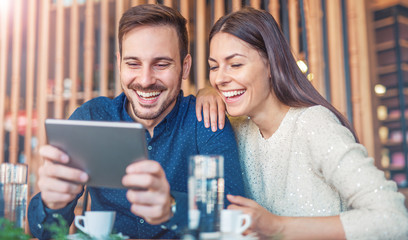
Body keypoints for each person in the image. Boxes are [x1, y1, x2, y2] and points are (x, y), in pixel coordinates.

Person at [28, 4, 245, 239]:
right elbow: (47, 233)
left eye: (161, 64)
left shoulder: (205, 119)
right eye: (133, 63)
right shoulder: (92, 118)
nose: (145, 80)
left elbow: (234, 215)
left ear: (184, 66)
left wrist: (173, 206)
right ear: (119, 62)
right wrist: (51, 203)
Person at [196, 7, 408, 240]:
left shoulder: (313, 124)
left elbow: (394, 219)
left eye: (235, 64)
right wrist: (205, 92)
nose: (219, 78)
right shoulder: (237, 129)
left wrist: (278, 226)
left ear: (270, 64)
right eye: (214, 67)